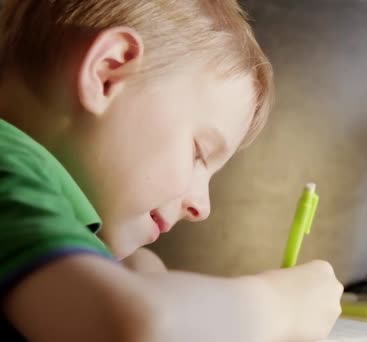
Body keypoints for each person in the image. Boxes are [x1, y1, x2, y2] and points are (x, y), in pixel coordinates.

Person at [0, 1, 343, 341]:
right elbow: (134, 324)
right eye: (199, 153)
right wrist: (279, 307)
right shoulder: (7, 159)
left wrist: (140, 272)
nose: (201, 207)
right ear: (108, 71)